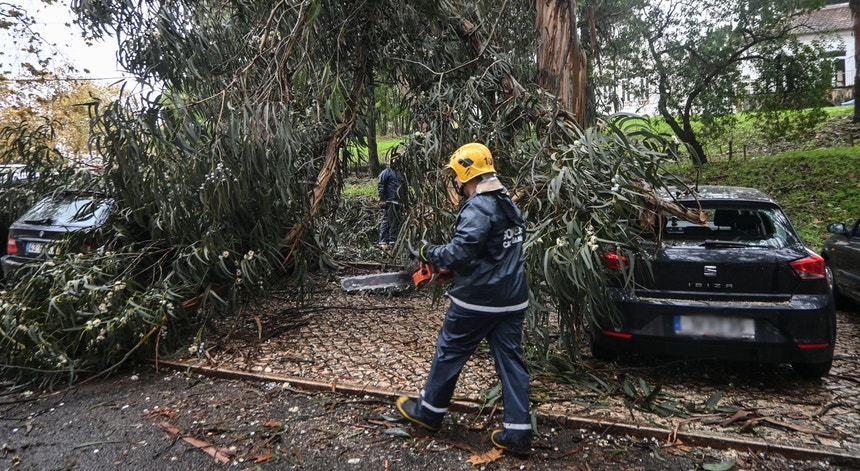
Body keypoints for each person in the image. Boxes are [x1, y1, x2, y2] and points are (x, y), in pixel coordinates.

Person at [396, 142, 532, 458]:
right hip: (512, 298)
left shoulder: (478, 207)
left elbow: (461, 251)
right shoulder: (506, 203)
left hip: (479, 301)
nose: (456, 182)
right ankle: (519, 435)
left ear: (466, 174)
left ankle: (428, 413)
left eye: (457, 176)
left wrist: (431, 253)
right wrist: (455, 272)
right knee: (512, 363)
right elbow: (492, 253)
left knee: (449, 351)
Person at [377, 151, 407, 249]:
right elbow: (381, 185)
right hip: (389, 201)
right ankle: (383, 241)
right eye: (395, 159)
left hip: (399, 201)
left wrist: (405, 200)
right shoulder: (386, 172)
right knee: (387, 220)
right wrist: (383, 199)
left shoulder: (401, 173)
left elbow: (404, 187)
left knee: (396, 221)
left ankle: (393, 241)